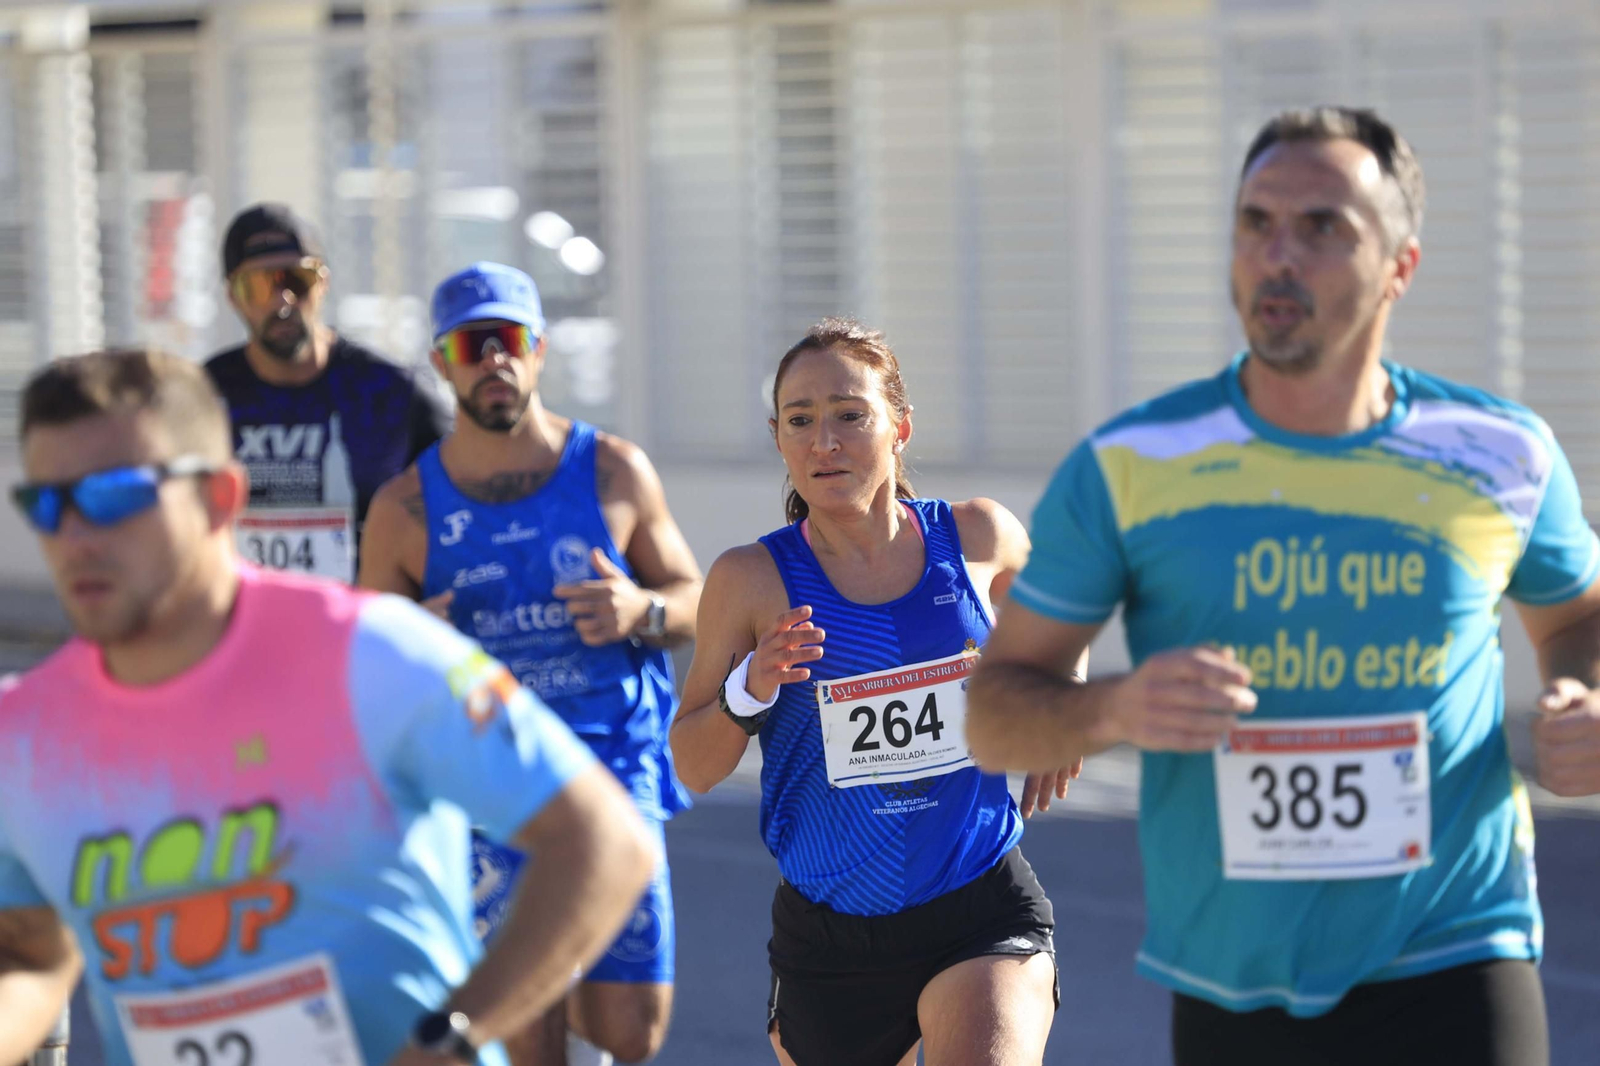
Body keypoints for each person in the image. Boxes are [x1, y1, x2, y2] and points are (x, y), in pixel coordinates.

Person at [965, 106, 1600, 1066]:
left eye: (1322, 228)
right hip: (1235, 976)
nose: (1278, 255)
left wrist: (1584, 698)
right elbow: (995, 716)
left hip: (1460, 945)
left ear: (1401, 267)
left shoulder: (1500, 453)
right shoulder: (1134, 464)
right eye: (1256, 223)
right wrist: (1122, 706)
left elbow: (1579, 618)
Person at [0, 349, 654, 1066]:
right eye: (46, 504)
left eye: (114, 495)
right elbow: (31, 958)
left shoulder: (374, 653)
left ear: (220, 497)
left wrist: (449, 1039)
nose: (75, 537)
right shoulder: (25, 732)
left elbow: (604, 843)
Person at [668, 318, 1075, 1066]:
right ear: (780, 439)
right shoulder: (751, 580)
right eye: (800, 421)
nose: (824, 441)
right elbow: (692, 765)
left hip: (977, 904)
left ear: (899, 429)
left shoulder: (976, 535)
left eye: (850, 415)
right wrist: (747, 690)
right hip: (833, 937)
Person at [359, 262, 703, 1064]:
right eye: (471, 346)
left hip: (614, 770)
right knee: (528, 1031)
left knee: (632, 1033)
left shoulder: (614, 470)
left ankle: (566, 965)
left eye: (507, 340)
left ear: (539, 350)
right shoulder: (403, 509)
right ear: (442, 362)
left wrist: (641, 610)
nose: (493, 362)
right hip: (487, 786)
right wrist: (412, 635)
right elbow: (367, 661)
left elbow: (693, 595)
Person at [206, 202, 451, 583]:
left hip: (356, 630)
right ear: (233, 297)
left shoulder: (390, 394)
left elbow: (464, 497)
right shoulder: (203, 398)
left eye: (296, 281)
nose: (282, 300)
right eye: (258, 286)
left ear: (323, 283)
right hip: (242, 631)